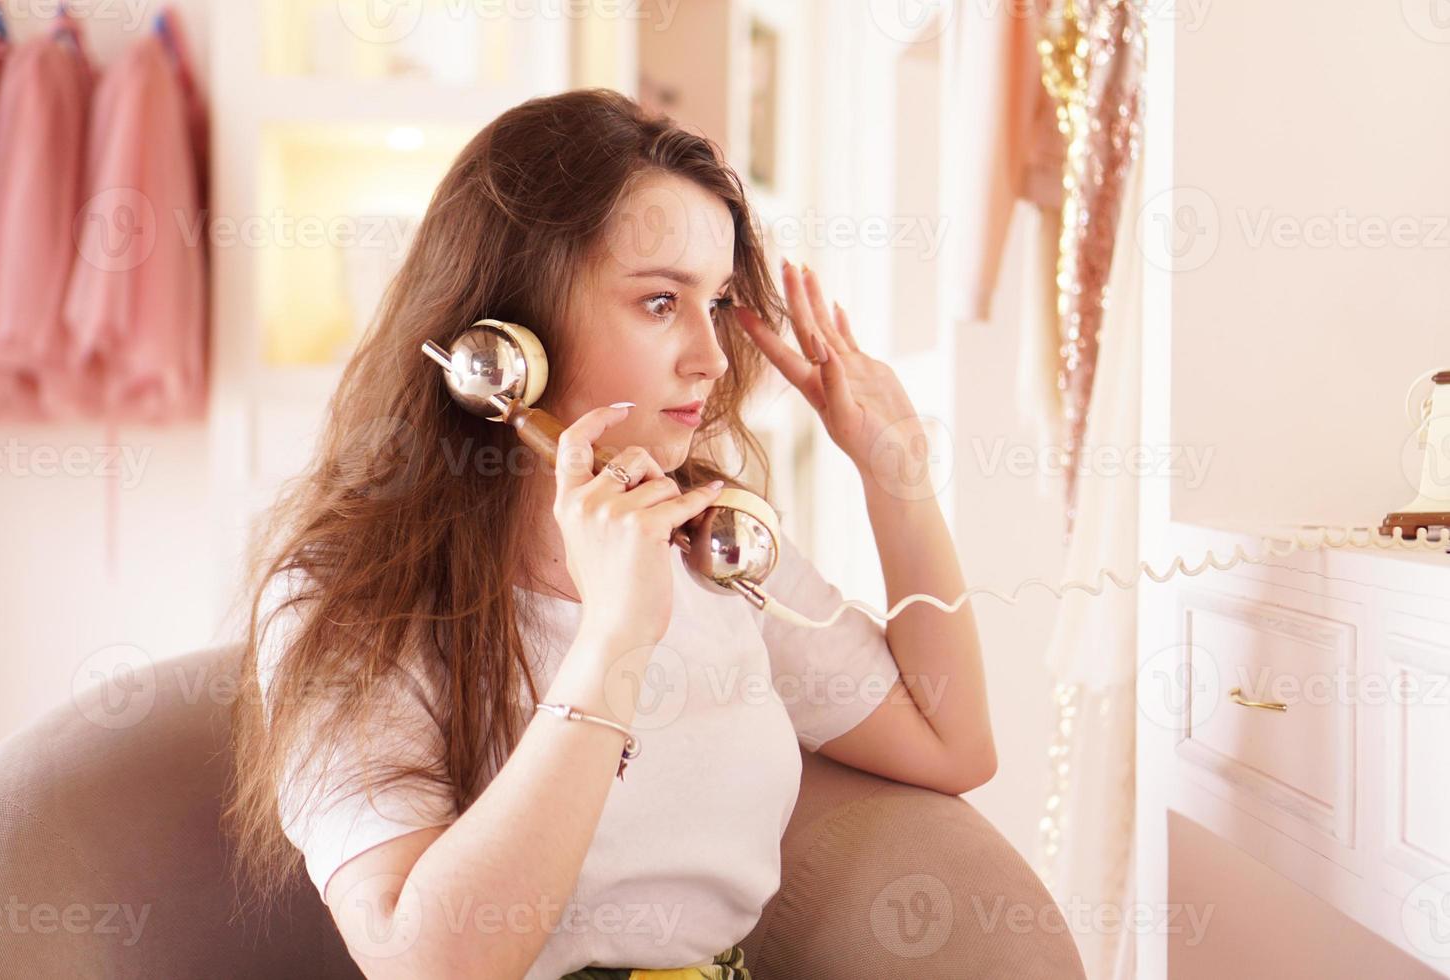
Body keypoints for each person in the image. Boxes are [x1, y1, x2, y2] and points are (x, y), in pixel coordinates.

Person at [223, 88, 993, 980]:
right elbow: (426, 964)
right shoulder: (347, 596)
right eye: (661, 303)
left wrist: (895, 474)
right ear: (509, 339)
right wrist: (615, 636)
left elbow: (953, 743)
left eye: (716, 305)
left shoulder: (706, 541)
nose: (709, 357)